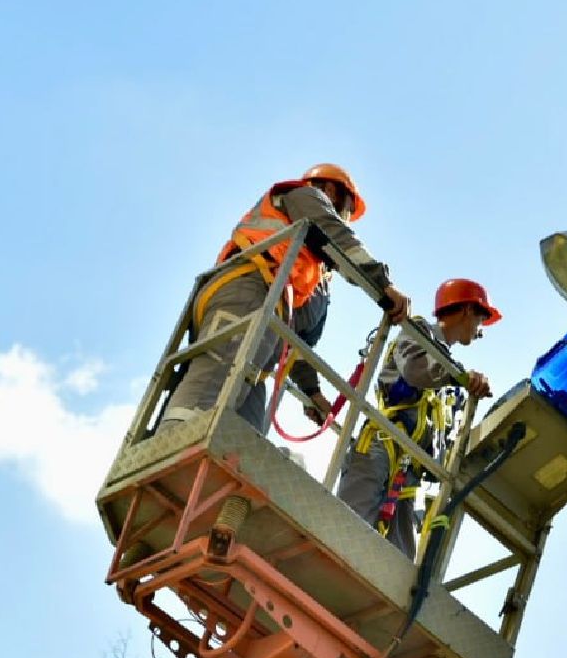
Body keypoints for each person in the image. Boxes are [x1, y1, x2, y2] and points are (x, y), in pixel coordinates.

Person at [160, 163, 410, 431]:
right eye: (348, 208)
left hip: (268, 319)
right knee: (209, 390)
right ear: (329, 190)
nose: (346, 217)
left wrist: (311, 392)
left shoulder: (311, 273)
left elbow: (295, 342)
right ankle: (166, 456)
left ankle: (218, 468)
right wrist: (382, 283)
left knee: (244, 426)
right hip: (249, 291)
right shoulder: (305, 196)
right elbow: (337, 234)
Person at [336, 278, 499, 557]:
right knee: (345, 532)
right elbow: (414, 370)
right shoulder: (418, 331)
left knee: (398, 562)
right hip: (382, 446)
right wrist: (461, 376)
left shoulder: (452, 383)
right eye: (481, 319)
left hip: (412, 472)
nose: (480, 331)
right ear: (468, 311)